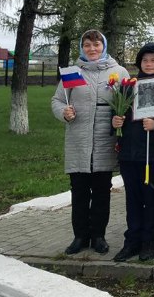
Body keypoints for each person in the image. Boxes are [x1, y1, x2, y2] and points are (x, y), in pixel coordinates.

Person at [51, 29, 130, 256]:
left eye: (96, 45)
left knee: (102, 191)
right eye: (87, 45)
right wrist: (63, 112)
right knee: (79, 191)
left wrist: (121, 118)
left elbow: (128, 101)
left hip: (105, 140)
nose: (92, 49)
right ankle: (80, 236)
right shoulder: (72, 73)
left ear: (103, 46)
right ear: (82, 48)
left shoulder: (118, 71)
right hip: (79, 140)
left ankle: (98, 236)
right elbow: (57, 100)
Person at [113, 42, 154, 263]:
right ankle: (131, 240)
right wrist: (115, 122)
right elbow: (115, 117)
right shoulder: (128, 86)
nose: (149, 64)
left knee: (152, 198)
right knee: (132, 200)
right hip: (130, 153)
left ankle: (149, 241)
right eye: (145, 60)